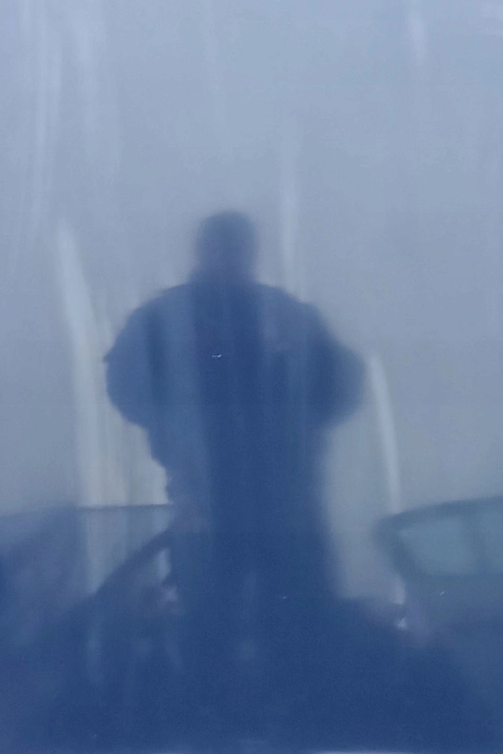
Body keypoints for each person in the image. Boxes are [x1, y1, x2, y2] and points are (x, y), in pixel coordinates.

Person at [105, 213, 363, 679]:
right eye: (221, 247)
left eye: (236, 247)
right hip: (210, 496)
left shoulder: (280, 313)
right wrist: (173, 429)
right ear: (203, 251)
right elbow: (124, 382)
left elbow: (342, 386)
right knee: (214, 620)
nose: (228, 257)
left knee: (298, 616)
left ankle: (295, 701)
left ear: (249, 253)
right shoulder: (165, 320)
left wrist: (299, 413)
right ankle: (221, 704)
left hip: (282, 498)